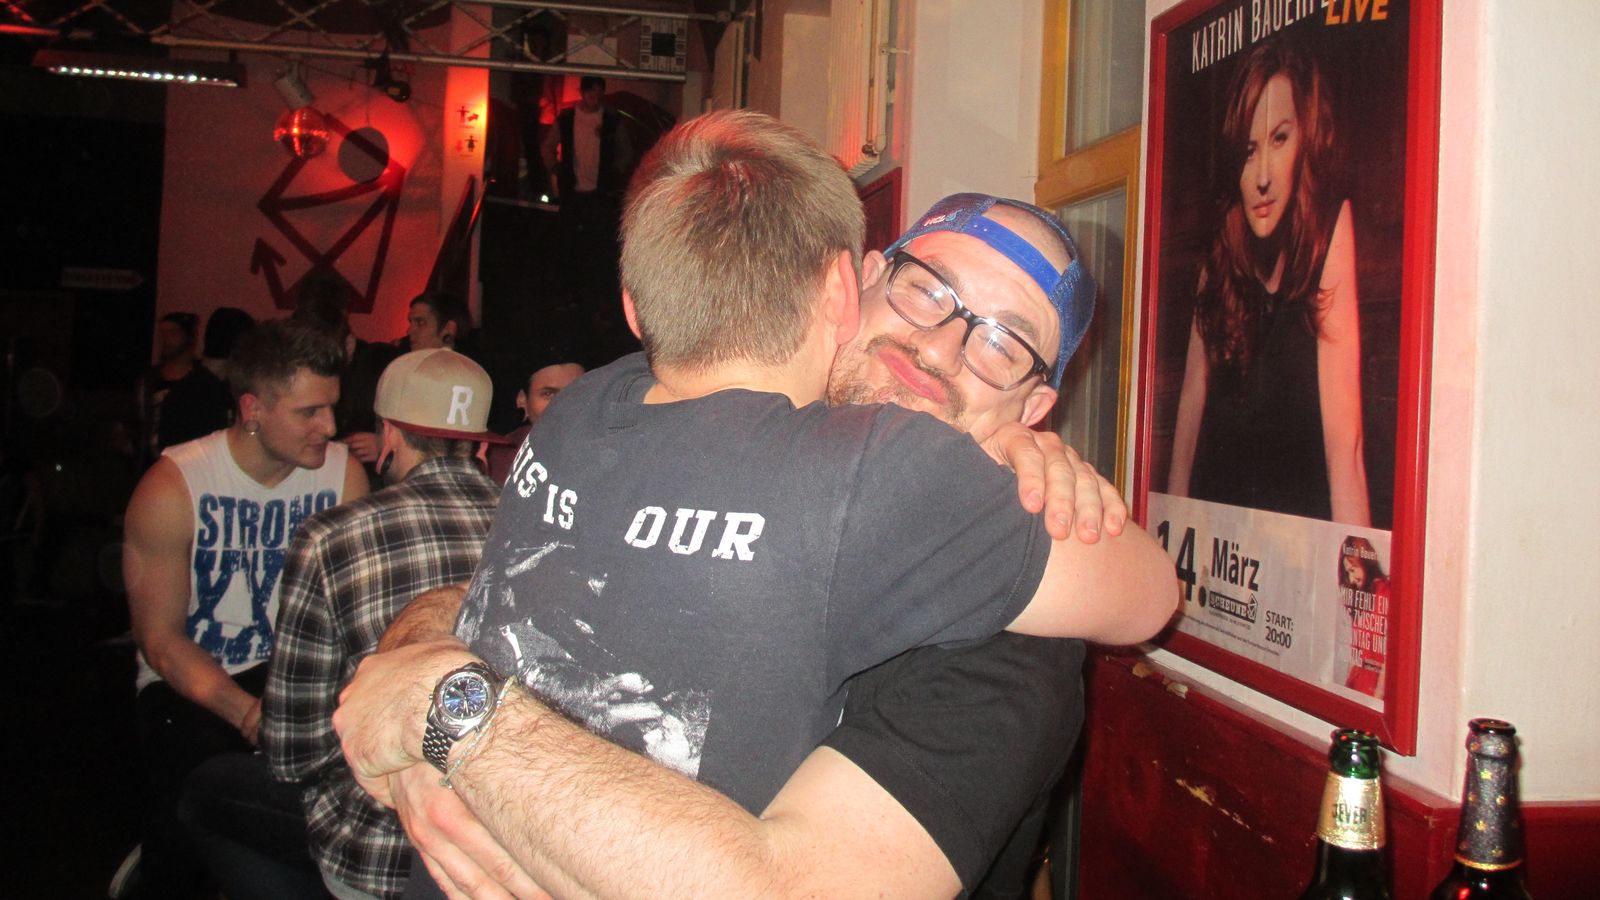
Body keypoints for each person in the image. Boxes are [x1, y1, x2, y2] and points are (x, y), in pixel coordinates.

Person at [336, 111, 1175, 898]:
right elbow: (513, 592)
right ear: (857, 282)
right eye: (927, 289)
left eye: (1003, 343)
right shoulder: (643, 399)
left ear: (1033, 409)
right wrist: (425, 666)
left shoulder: (1012, 639)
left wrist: (452, 719)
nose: (939, 346)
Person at [180, 350, 506, 900]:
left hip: (381, 854)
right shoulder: (544, 531)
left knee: (207, 790)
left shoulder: (330, 537)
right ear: (478, 444)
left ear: (390, 436)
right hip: (505, 844)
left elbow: (293, 755)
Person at [121, 318, 367, 898]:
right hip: (196, 681)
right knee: (191, 792)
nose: (330, 427)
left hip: (296, 676)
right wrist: (246, 712)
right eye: (309, 412)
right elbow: (160, 641)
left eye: (332, 407)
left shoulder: (343, 476)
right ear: (252, 409)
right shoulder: (173, 485)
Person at [1166, 38, 1370, 525]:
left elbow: (1346, 447)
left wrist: (1358, 566)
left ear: (1305, 140)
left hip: (1300, 531)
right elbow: (1191, 403)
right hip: (1224, 528)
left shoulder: (1330, 229)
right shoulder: (1222, 245)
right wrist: (1169, 534)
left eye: (1280, 139)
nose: (1262, 177)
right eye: (1248, 150)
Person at [541, 75, 633, 312]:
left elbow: (625, 150)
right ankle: (570, 295)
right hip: (574, 191)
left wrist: (615, 171)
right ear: (582, 92)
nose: (595, 96)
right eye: (591, 91)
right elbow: (548, 145)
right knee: (569, 245)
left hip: (600, 193)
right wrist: (555, 167)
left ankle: (596, 299)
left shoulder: (612, 119)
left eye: (599, 92)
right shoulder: (567, 118)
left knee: (599, 246)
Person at [140, 311, 232, 462]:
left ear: (188, 336)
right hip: (151, 461)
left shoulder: (203, 381)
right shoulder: (149, 380)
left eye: (172, 333)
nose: (165, 340)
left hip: (187, 460)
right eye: (162, 334)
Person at [483, 359, 585, 484]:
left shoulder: (604, 454)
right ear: (522, 400)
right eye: (548, 394)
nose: (564, 405)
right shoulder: (498, 460)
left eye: (577, 393)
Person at [1337, 536, 1389, 698]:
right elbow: (1356, 653)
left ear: (1365, 562)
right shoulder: (1362, 598)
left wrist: (1378, 695)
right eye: (1348, 573)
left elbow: (1389, 657)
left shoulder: (1386, 593)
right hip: (1357, 686)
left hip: (1374, 691)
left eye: (1353, 570)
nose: (1351, 579)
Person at [406, 292, 473, 353]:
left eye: (420, 322)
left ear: (449, 328)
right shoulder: (407, 359)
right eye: (410, 323)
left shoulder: (461, 362)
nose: (409, 331)